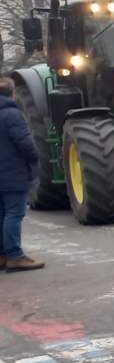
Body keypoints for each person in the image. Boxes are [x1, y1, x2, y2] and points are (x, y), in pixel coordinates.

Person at [0, 77, 44, 272]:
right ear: (13, 93)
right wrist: (35, 159)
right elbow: (26, 144)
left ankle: (2, 255)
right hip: (13, 174)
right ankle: (15, 256)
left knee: (1, 213)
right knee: (14, 214)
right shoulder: (12, 115)